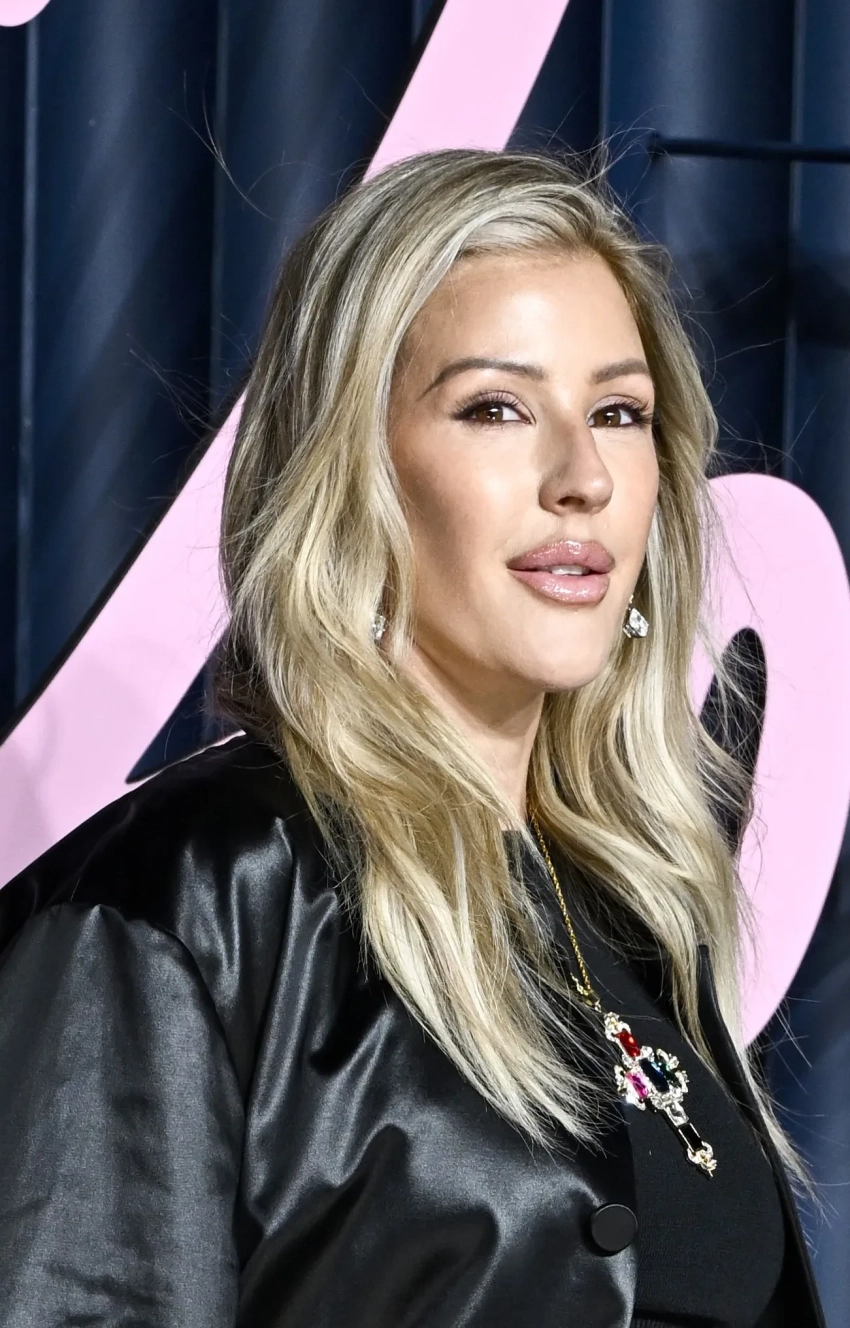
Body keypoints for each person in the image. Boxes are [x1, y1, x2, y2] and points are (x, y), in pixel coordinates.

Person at [0, 148, 826, 1328]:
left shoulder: (638, 916)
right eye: (495, 408)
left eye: (618, 412)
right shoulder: (197, 892)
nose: (582, 477)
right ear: (354, 467)